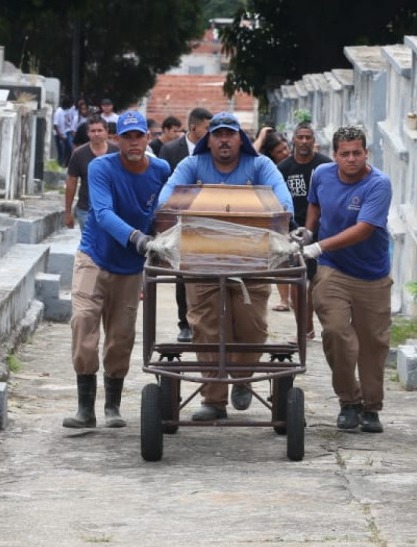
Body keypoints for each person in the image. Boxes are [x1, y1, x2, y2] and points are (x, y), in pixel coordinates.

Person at [157, 111, 294, 421]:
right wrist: (174, 212)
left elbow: (285, 204)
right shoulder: (192, 165)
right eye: (217, 134)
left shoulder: (259, 165)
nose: (223, 140)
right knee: (206, 328)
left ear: (240, 139)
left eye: (229, 134)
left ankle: (242, 379)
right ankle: (213, 399)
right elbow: (166, 198)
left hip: (252, 262)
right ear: (209, 139)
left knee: (251, 325)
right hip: (201, 260)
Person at [63, 111, 171, 429]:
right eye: (127, 137)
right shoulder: (101, 168)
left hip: (131, 266)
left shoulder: (161, 170)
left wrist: (163, 241)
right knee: (83, 321)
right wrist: (135, 236)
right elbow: (102, 212)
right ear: (117, 140)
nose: (133, 142)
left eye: (139, 136)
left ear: (147, 139)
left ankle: (112, 405)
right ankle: (85, 408)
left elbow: (169, 210)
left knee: (121, 335)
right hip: (95, 256)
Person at [300, 125, 393, 433]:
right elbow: (314, 203)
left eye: (357, 153)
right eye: (344, 154)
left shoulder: (378, 184)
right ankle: (348, 401)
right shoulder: (322, 174)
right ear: (335, 155)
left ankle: (370, 406)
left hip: (371, 274)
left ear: (367, 153)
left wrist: (319, 245)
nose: (351, 159)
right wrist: (309, 231)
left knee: (372, 344)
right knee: (337, 332)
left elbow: (364, 229)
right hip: (332, 269)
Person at [154, 107, 212, 343]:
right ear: (194, 127)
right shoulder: (170, 150)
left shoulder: (211, 151)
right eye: (208, 128)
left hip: (206, 219)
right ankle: (184, 323)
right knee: (182, 274)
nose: (212, 134)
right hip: (179, 219)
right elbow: (163, 185)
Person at [277, 122, 331, 338]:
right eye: (300, 137)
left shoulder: (325, 166)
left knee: (321, 284)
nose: (305, 141)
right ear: (293, 140)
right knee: (298, 282)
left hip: (324, 232)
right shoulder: (283, 169)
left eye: (308, 137)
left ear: (314, 140)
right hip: (293, 233)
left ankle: (327, 327)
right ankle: (304, 329)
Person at [259, 130, 293, 312]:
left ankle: (295, 297)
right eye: (280, 151)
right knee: (280, 258)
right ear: (271, 153)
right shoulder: (268, 169)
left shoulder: (294, 163)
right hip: (274, 217)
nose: (285, 153)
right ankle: (284, 298)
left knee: (295, 260)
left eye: (286, 148)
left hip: (294, 215)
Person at [65, 115, 118, 229]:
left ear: (107, 131)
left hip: (113, 209)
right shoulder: (79, 154)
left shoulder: (117, 152)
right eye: (93, 131)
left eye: (100, 130)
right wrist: (68, 212)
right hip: (86, 209)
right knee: (90, 245)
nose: (96, 134)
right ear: (88, 133)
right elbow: (71, 183)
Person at [52, 96, 78, 167]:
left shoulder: (69, 110)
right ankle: (60, 164)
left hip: (66, 133)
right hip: (59, 134)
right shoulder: (59, 111)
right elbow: (55, 125)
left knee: (69, 149)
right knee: (61, 151)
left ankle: (66, 163)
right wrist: (60, 135)